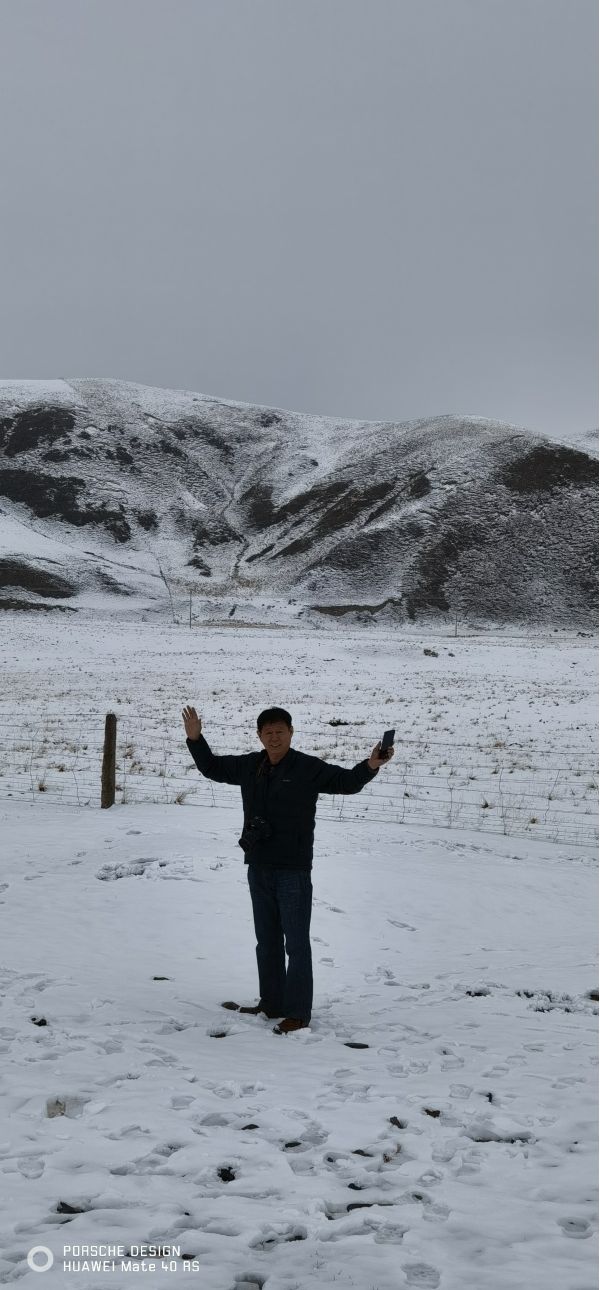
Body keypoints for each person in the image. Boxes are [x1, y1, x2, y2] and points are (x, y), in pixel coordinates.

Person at [182, 704, 394, 1034]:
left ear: (291, 733)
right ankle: (271, 1003)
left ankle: (297, 1013)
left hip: (293, 870)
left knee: (295, 944)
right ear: (259, 736)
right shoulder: (250, 766)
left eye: (280, 731)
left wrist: (370, 765)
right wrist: (196, 739)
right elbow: (211, 767)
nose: (274, 737)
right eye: (268, 732)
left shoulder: (307, 767)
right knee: (266, 941)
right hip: (258, 866)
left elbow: (346, 782)